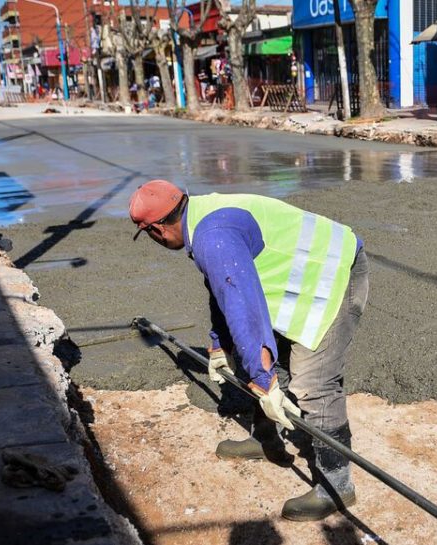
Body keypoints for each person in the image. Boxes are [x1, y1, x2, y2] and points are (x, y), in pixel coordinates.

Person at [129, 180, 368, 521]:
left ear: (155, 230)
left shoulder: (214, 236)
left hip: (334, 272)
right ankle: (267, 438)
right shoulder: (202, 217)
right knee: (269, 357)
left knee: (314, 383)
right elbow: (223, 289)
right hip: (296, 277)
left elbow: (240, 303)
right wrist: (219, 344)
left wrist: (262, 377)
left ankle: (336, 485)